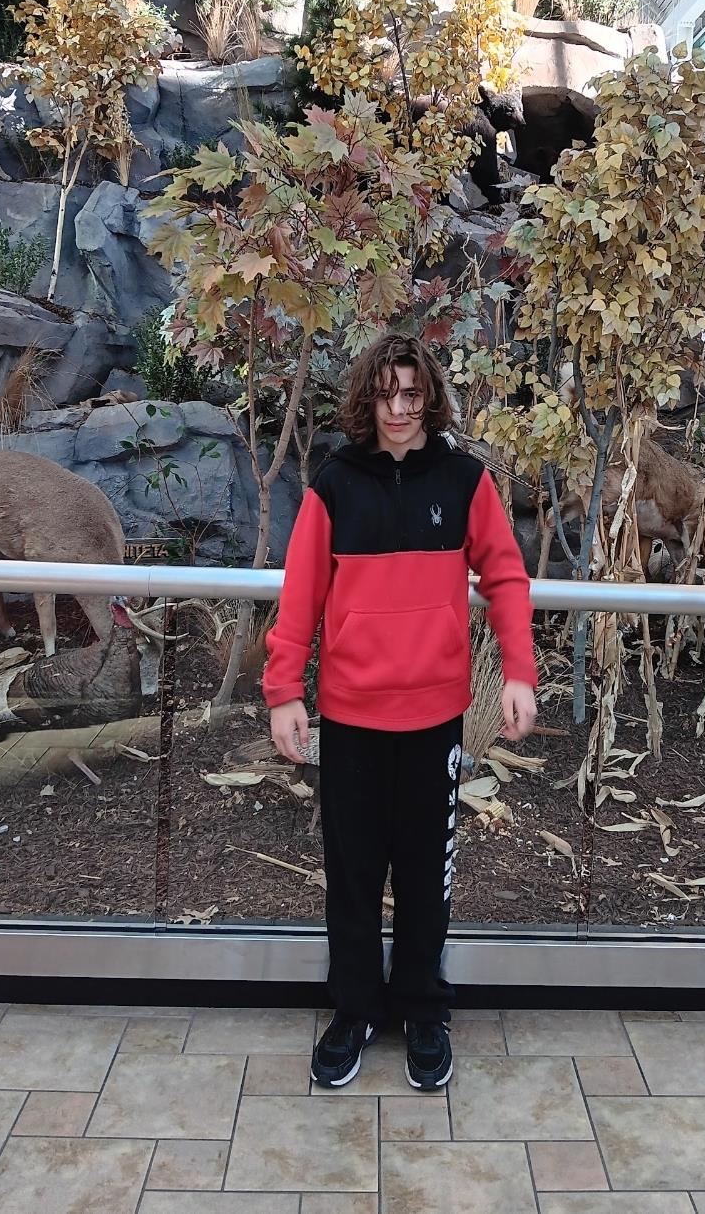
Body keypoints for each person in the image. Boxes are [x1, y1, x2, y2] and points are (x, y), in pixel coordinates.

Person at [263, 333, 537, 1090]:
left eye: (412, 394)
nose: (398, 409)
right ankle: (354, 1011)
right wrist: (285, 691)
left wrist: (519, 671)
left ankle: (422, 1008)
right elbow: (299, 597)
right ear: (367, 399)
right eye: (386, 394)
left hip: (434, 719)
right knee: (351, 876)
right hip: (350, 718)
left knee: (425, 877)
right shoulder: (334, 485)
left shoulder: (463, 479)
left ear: (430, 397)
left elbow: (506, 577)